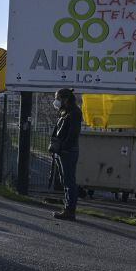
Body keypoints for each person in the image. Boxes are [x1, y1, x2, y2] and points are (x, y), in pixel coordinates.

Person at [50, 88, 82, 221]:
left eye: (58, 98)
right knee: (65, 180)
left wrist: (63, 147)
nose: (56, 101)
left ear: (65, 99)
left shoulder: (74, 113)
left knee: (69, 181)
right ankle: (67, 208)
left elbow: (73, 134)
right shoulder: (65, 112)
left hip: (68, 151)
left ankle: (70, 210)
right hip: (62, 151)